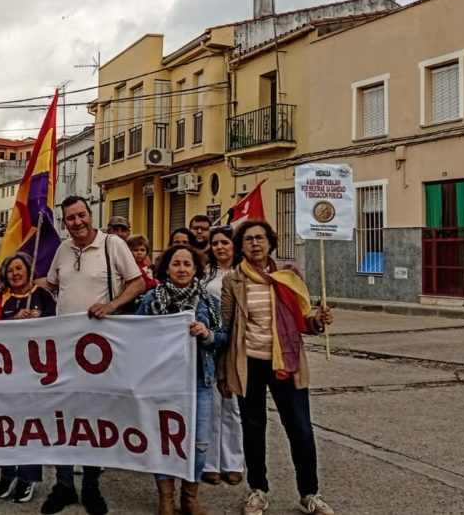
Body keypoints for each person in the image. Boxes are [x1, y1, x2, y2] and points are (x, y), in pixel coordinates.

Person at [219, 220, 335, 515]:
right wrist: (223, 371)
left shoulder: (289, 276)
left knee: (300, 429)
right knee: (253, 428)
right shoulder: (232, 281)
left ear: (270, 242)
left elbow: (303, 318)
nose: (255, 243)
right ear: (240, 247)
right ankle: (258, 491)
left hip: (287, 362)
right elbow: (227, 327)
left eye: (260, 238)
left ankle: (309, 493)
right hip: (249, 363)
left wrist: (317, 322)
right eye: (248, 240)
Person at [39, 195, 144, 515]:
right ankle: (63, 485)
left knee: (95, 419)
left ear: (90, 214)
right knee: (62, 417)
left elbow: (137, 283)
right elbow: (51, 284)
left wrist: (111, 306)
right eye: (71, 218)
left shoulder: (113, 245)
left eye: (82, 215)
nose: (78, 222)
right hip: (63, 350)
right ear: (65, 222)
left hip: (99, 351)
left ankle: (92, 486)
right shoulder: (62, 249)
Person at [137, 244, 225, 515]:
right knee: (164, 442)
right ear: (166, 268)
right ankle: (166, 497)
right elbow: (135, 336)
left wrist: (207, 334)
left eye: (187, 264)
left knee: (199, 443)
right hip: (162, 383)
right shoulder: (151, 299)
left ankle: (190, 496)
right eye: (176, 263)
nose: (182, 269)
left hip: (200, 381)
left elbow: (224, 338)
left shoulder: (209, 302)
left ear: (196, 269)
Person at [0, 252, 56, 504]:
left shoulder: (43, 296)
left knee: (30, 427)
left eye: (20, 268)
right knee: (5, 426)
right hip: (4, 373)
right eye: (10, 270)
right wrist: (12, 322)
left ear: (28, 270)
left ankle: (27, 478)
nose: (15, 273)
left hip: (34, 373)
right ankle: (7, 474)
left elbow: (58, 330)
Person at [201, 227, 245, 487]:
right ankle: (209, 463)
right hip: (209, 345)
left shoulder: (243, 274)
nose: (219, 247)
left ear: (233, 246)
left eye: (224, 243)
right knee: (211, 406)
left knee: (233, 407)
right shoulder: (204, 275)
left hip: (236, 346)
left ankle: (234, 462)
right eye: (215, 243)